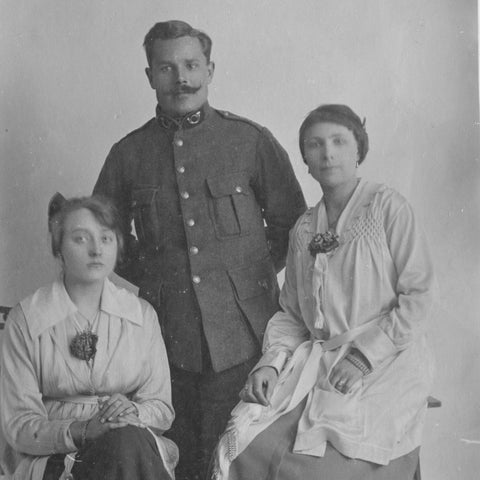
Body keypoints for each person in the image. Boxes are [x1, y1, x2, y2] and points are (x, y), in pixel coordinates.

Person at [93, 20, 306, 480]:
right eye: (166, 68)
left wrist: (242, 281)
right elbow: (102, 237)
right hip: (165, 339)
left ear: (210, 69)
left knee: (242, 458)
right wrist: (155, 278)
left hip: (247, 340)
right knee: (179, 459)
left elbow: (293, 224)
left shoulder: (249, 140)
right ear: (149, 76)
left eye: (191, 65)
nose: (181, 78)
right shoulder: (128, 154)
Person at [212, 104, 436, 480]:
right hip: (320, 362)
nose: (327, 153)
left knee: (330, 468)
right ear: (305, 159)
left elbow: (419, 296)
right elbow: (292, 314)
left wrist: (365, 356)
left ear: (358, 150)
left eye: (338, 141)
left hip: (385, 361)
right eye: (315, 145)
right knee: (247, 448)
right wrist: (270, 362)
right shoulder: (303, 229)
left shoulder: (387, 208)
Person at [0, 194, 178, 480]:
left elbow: (161, 409)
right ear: (58, 247)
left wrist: (130, 411)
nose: (96, 250)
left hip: (130, 444)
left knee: (124, 443)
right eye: (81, 239)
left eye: (106, 239)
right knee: (124, 448)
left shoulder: (141, 315)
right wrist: (83, 430)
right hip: (56, 456)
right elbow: (19, 426)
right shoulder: (26, 320)